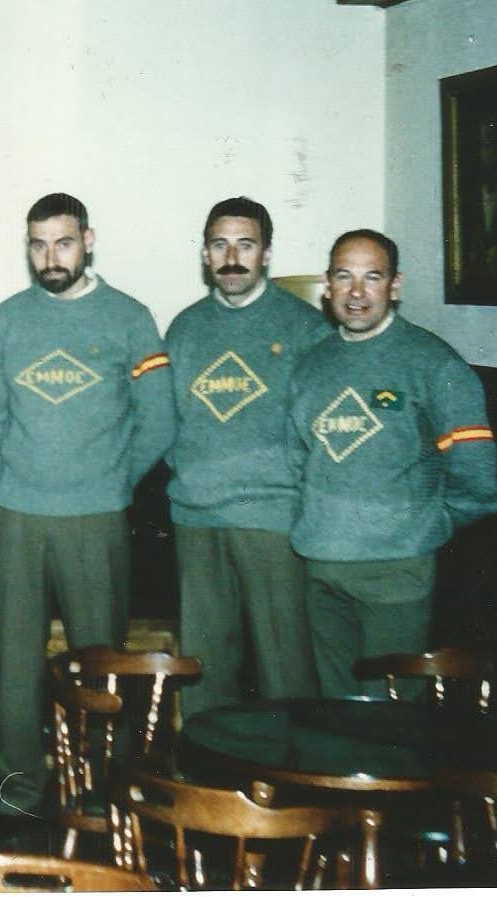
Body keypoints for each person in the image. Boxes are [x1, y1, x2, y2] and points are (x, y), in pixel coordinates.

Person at [0, 192, 175, 842]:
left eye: (62, 242)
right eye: (37, 245)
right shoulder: (10, 317)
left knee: (100, 665)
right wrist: (29, 463)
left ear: (88, 240)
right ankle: (17, 798)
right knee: (16, 664)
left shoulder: (129, 318)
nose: (49, 258)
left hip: (96, 516)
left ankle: (102, 797)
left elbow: (159, 420)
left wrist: (111, 479)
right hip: (18, 513)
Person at [288, 229, 497, 698]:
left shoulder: (434, 364)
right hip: (321, 564)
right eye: (344, 276)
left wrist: (427, 524)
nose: (356, 292)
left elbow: (478, 476)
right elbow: (296, 458)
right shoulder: (310, 364)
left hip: (396, 571)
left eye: (372, 277)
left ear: (395, 285)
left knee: (394, 715)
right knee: (336, 709)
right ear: (327, 284)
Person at [164, 198, 327, 715]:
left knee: (287, 672)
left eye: (245, 245)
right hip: (197, 520)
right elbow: (167, 421)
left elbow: (322, 432)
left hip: (274, 523)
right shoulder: (184, 328)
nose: (232, 258)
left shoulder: (306, 329)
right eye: (220, 245)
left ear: (267, 254)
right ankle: (208, 767)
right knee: (204, 673)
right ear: (205, 254)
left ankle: (296, 767)